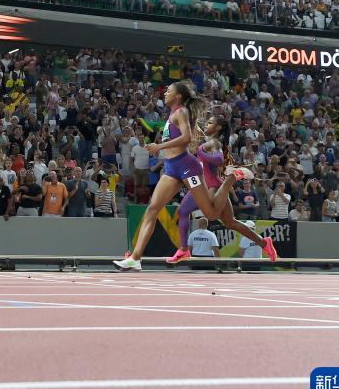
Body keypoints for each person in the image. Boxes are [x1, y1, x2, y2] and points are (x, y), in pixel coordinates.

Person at [115, 82, 248, 271]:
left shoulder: (181, 112)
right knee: (152, 209)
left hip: (187, 166)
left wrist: (159, 147)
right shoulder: (173, 114)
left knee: (210, 214)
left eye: (169, 91)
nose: (165, 93)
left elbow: (186, 138)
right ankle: (135, 258)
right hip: (171, 167)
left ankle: (230, 179)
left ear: (178, 96)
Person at [167, 116, 276, 264]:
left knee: (190, 212)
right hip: (207, 185)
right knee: (230, 222)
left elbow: (219, 160)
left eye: (210, 122)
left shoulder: (215, 142)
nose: (207, 124)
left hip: (211, 186)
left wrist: (200, 152)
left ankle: (184, 249)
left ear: (218, 128)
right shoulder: (210, 142)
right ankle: (264, 243)